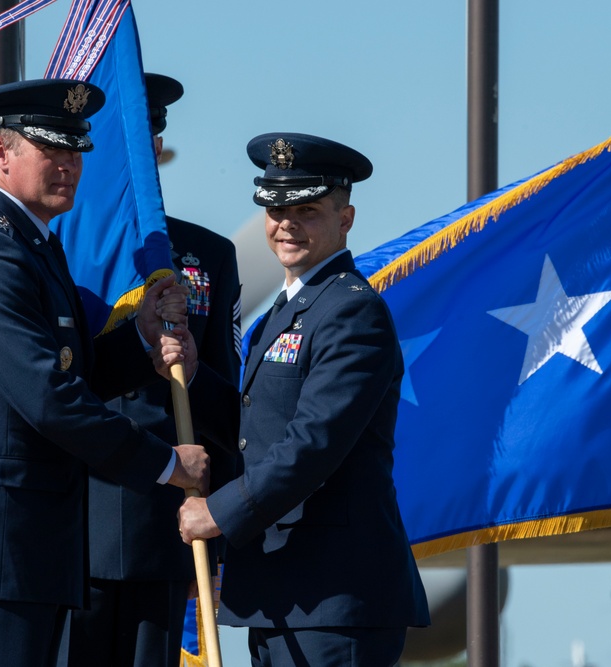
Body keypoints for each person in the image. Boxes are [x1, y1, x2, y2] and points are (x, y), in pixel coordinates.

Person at [0, 78, 210, 667]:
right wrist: (167, 464)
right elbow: (47, 396)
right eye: (52, 150)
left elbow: (75, 368)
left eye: (75, 150)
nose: (69, 165)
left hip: (27, 548)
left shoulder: (33, 246)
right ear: (0, 154)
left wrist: (141, 341)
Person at [177, 133, 430, 666]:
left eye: (307, 210)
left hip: (334, 596)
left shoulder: (350, 312)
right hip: (281, 594)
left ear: (346, 218)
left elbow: (313, 443)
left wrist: (218, 513)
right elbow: (258, 429)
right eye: (275, 208)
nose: (286, 223)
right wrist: (194, 376)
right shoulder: (284, 312)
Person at [61, 73, 242, 667]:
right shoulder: (57, 250)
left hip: (164, 531)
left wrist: (217, 534)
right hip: (69, 524)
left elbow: (226, 406)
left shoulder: (207, 256)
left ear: (156, 149)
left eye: (147, 141)